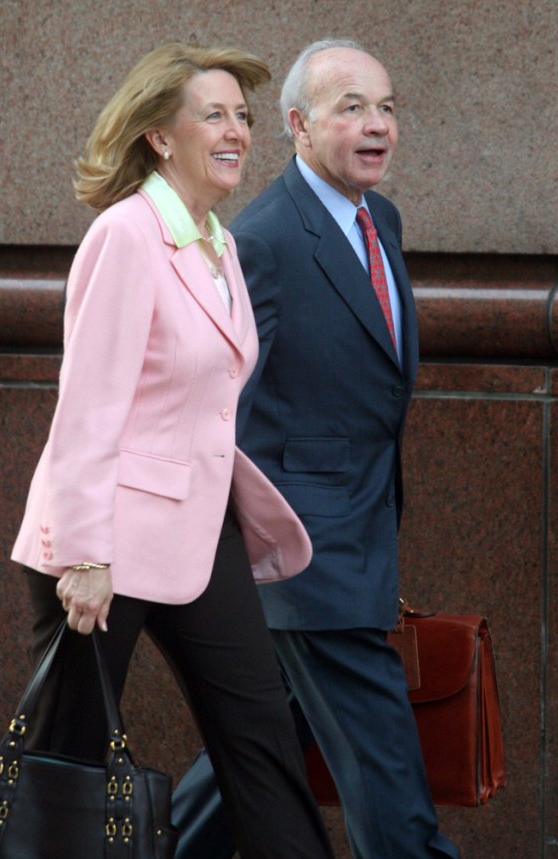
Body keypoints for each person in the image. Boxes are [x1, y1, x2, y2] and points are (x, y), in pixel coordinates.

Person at [10, 42, 335, 859]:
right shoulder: (127, 234)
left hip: (196, 533)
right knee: (69, 766)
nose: (236, 131)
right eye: (214, 114)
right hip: (103, 545)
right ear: (160, 134)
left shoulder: (216, 242)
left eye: (244, 117)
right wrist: (83, 553)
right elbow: (87, 409)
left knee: (261, 734)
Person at [172, 39, 460, 858]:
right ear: (297, 125)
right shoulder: (259, 240)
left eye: (388, 107)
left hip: (359, 538)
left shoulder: (382, 221)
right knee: (394, 801)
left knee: (246, 762)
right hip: (309, 560)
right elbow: (222, 406)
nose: (378, 126)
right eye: (352, 108)